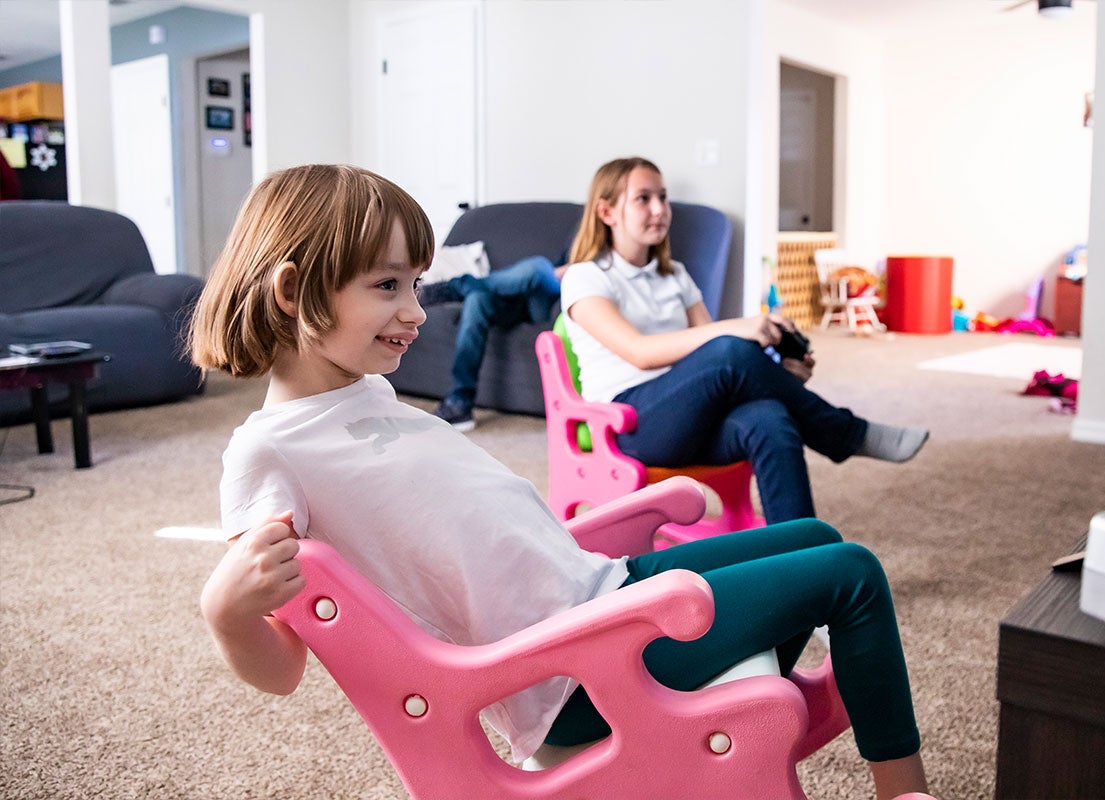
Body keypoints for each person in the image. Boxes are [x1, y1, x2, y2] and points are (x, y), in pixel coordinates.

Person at [190, 164, 930, 799]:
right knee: (852, 573)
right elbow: (286, 664)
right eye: (387, 285)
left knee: (814, 538)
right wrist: (226, 612)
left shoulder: (366, 394)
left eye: (416, 283)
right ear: (293, 292)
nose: (415, 311)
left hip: (603, 588)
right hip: (575, 669)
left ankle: (707, 720)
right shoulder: (270, 452)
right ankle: (901, 789)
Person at [560, 156, 929, 525]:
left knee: (770, 417)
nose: (659, 209)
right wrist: (737, 328)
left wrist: (777, 376)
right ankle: (848, 434)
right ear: (607, 212)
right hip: (630, 425)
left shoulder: (676, 276)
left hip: (689, 419)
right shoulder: (585, 278)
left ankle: (801, 559)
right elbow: (640, 353)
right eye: (643, 198)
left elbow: (712, 362)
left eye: (663, 197)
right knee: (729, 348)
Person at [428, 255, 566, 431]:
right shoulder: (583, 234)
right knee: (477, 299)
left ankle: (456, 286)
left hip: (548, 301)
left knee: (537, 267)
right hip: (522, 297)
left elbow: (570, 272)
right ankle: (459, 402)